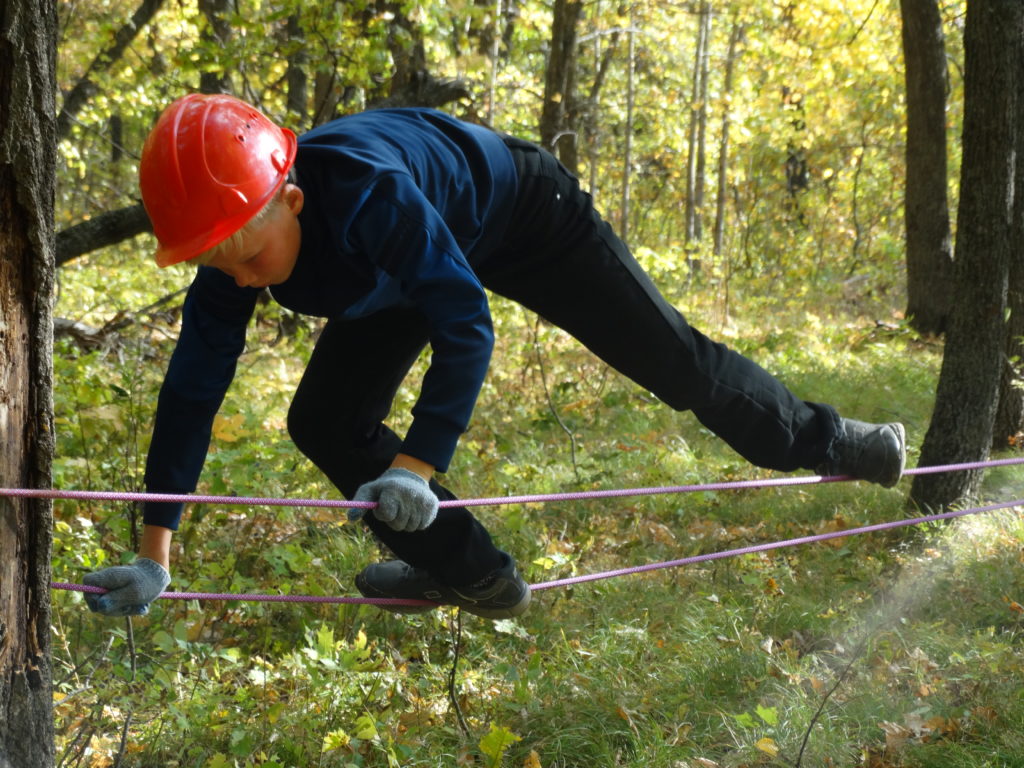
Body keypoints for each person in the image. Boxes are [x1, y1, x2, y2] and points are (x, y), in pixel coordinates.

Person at [82, 94, 906, 620]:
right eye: (212, 260)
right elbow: (192, 390)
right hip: (401, 273)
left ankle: (833, 442)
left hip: (523, 216)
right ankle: (472, 576)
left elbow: (465, 325)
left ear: (289, 197)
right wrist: (157, 551)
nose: (234, 274)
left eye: (246, 257)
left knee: (675, 363)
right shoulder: (232, 240)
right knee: (324, 421)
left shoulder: (367, 193)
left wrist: (415, 463)